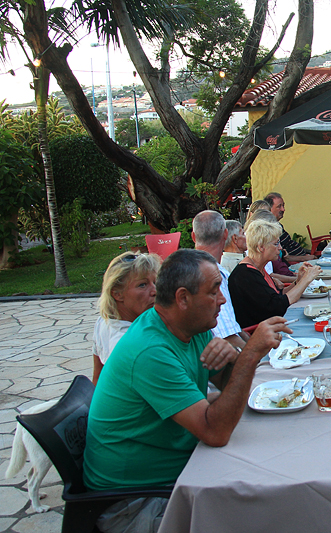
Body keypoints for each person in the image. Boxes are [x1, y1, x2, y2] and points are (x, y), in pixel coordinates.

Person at [84, 249, 293, 532]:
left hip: (179, 472)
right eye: (214, 291)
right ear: (183, 298)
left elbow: (228, 386)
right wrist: (250, 353)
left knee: (276, 475)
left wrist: (234, 359)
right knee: (269, 510)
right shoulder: (150, 351)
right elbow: (216, 432)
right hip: (135, 503)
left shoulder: (190, 326)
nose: (222, 299)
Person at [228, 219, 321, 329]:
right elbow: (278, 306)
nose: (280, 248)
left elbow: (278, 296)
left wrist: (298, 281)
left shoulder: (258, 268)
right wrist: (306, 279)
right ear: (261, 247)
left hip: (273, 326)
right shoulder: (245, 275)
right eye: (276, 244)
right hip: (262, 333)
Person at [92, 252, 161, 385]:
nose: (154, 291)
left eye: (155, 282)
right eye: (142, 285)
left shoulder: (103, 322)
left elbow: (97, 379)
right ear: (117, 294)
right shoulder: (131, 343)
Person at [192, 211, 248, 352]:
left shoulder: (188, 268)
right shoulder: (212, 275)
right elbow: (228, 337)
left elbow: (232, 328)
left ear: (193, 236)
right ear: (225, 234)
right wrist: (257, 355)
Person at [264, 192, 317, 262]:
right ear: (269, 209)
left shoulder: (278, 225)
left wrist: (307, 254)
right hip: (295, 263)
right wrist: (304, 258)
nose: (283, 209)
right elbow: (283, 257)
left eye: (283, 206)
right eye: (279, 206)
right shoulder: (270, 230)